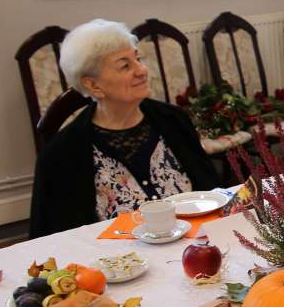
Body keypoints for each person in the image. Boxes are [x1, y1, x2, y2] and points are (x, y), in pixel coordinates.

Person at [29, 19, 218, 237]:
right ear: (93, 85)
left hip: (197, 248)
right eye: (125, 66)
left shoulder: (174, 121)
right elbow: (52, 240)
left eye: (138, 59)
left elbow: (212, 195)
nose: (142, 70)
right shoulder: (62, 153)